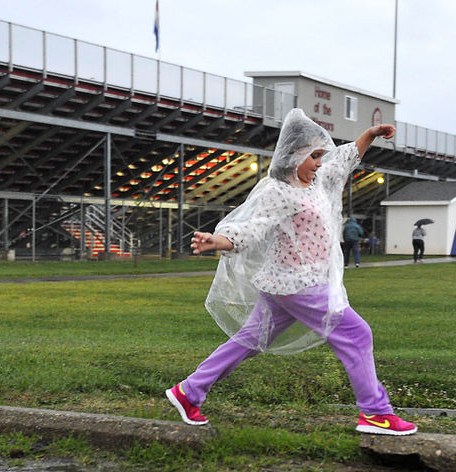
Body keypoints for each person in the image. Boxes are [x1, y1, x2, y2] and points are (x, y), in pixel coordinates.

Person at [165, 108, 416, 436]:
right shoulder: (276, 191)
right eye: (313, 156)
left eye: (320, 155)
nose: (319, 162)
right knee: (357, 334)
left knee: (248, 340)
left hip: (283, 285)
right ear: (294, 155)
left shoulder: (316, 183)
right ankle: (375, 413)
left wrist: (370, 135)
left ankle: (189, 391)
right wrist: (219, 241)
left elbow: (343, 160)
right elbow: (254, 229)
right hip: (299, 285)